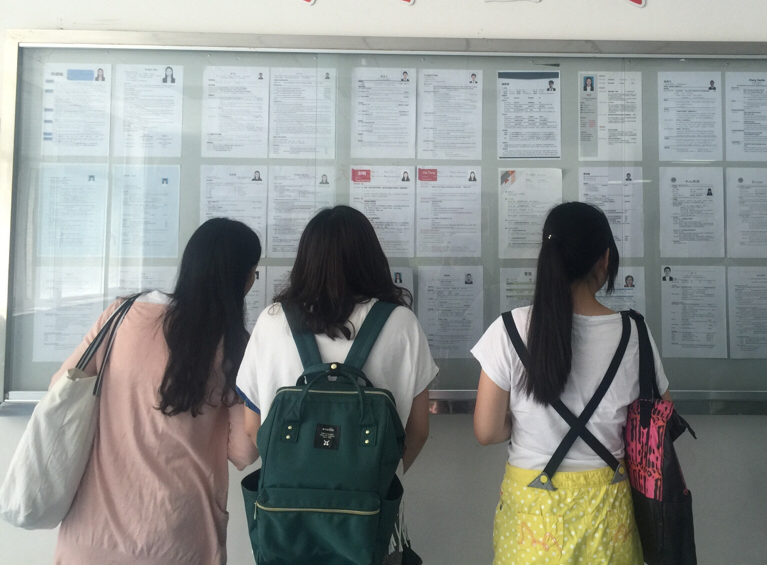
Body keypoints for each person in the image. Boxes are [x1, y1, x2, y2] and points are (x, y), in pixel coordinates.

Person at [49, 218, 262, 565]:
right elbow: (243, 451)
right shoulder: (236, 346)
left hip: (89, 537)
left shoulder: (121, 314)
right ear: (243, 277)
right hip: (179, 537)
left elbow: (62, 386)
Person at [472, 202, 669, 565]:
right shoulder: (634, 334)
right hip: (608, 513)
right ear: (605, 259)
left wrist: (525, 421)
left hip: (531, 513)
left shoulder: (508, 329)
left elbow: (486, 431)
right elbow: (660, 422)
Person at [236, 206, 438, 561]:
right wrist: (370, 476)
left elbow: (254, 428)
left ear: (306, 260)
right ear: (371, 258)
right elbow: (418, 430)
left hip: (285, 521)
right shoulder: (401, 323)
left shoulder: (271, 321)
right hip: (368, 520)